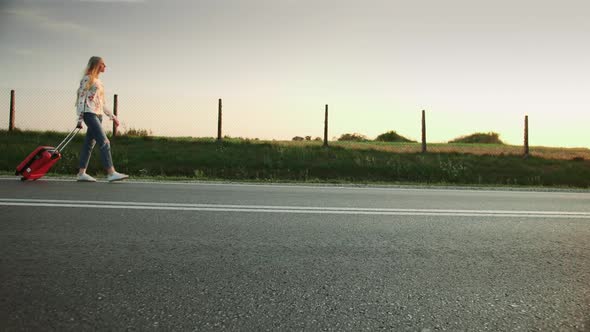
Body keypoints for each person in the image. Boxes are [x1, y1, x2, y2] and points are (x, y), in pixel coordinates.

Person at [75, 56, 128, 182]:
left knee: (89, 144)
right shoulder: (87, 79)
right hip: (89, 114)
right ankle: (111, 173)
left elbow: (102, 103)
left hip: (98, 115)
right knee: (105, 142)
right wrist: (80, 119)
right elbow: (81, 99)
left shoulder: (99, 82)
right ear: (97, 65)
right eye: (103, 64)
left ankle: (81, 173)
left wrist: (113, 116)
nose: (105, 66)